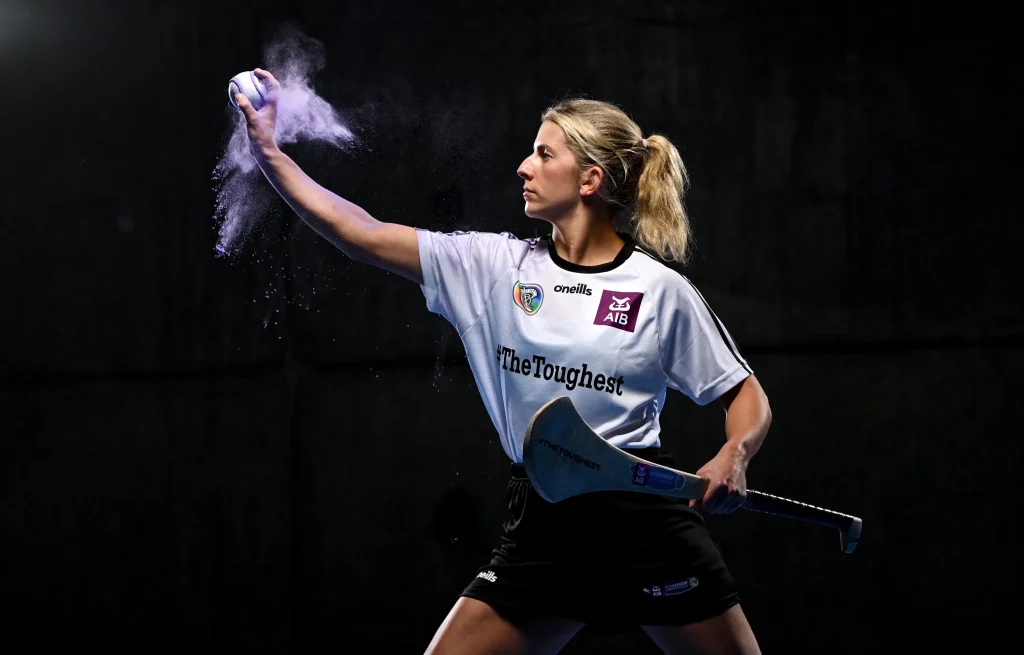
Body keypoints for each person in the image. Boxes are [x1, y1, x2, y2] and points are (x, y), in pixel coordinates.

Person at [235, 68, 772, 655]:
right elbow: (358, 229)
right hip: (544, 524)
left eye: (544, 153)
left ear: (590, 179)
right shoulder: (492, 269)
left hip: (645, 524)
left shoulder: (658, 289)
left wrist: (733, 454)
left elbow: (744, 395)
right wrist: (267, 150)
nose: (524, 166)